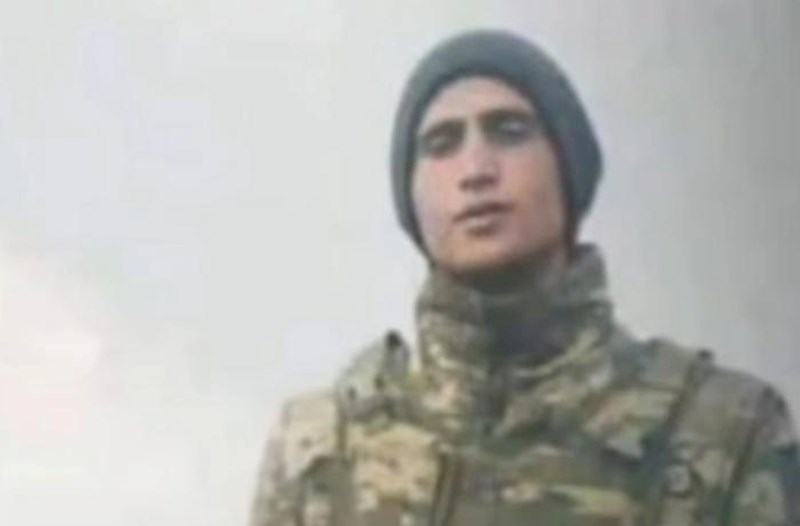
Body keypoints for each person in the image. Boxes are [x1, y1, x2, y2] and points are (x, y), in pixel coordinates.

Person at [249, 30, 800, 525]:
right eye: (441, 145)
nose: (476, 170)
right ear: (410, 198)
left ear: (567, 167)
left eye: (510, 132)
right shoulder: (318, 452)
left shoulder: (722, 434)